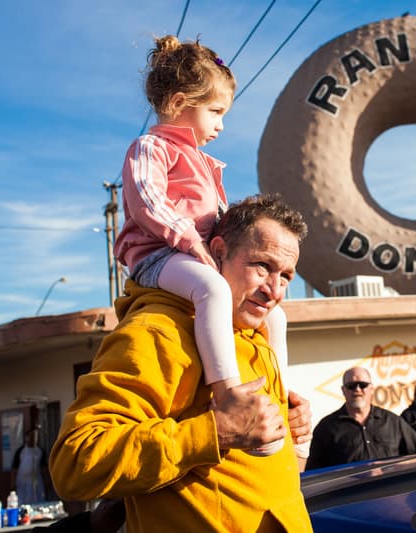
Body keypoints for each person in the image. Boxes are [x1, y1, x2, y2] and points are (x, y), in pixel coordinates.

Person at [50, 194, 313, 532]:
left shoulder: (258, 336)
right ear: (218, 252)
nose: (274, 290)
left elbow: (272, 476)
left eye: (286, 276)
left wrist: (295, 435)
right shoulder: (158, 332)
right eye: (262, 266)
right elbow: (75, 464)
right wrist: (213, 432)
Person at [113, 35, 289, 456]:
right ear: (178, 103)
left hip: (196, 256)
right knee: (211, 290)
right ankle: (228, 392)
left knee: (276, 316)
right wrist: (193, 243)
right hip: (158, 256)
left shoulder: (205, 164)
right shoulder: (150, 148)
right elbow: (146, 200)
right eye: (215, 111)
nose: (221, 125)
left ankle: (281, 395)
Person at [306, 367, 416, 470]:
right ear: (343, 390)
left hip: (390, 498)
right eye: (351, 386)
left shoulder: (393, 422)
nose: (357, 390)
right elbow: (313, 474)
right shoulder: (326, 428)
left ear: (371, 389)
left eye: (363, 385)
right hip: (350, 499)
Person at [11, 428, 51, 504]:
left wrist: (47, 481)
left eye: (34, 437)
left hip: (37, 481)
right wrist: (12, 482)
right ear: (26, 438)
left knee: (37, 501)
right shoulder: (20, 451)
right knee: (23, 501)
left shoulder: (40, 451)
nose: (32, 439)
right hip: (22, 482)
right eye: (30, 436)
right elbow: (14, 468)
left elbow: (43, 468)